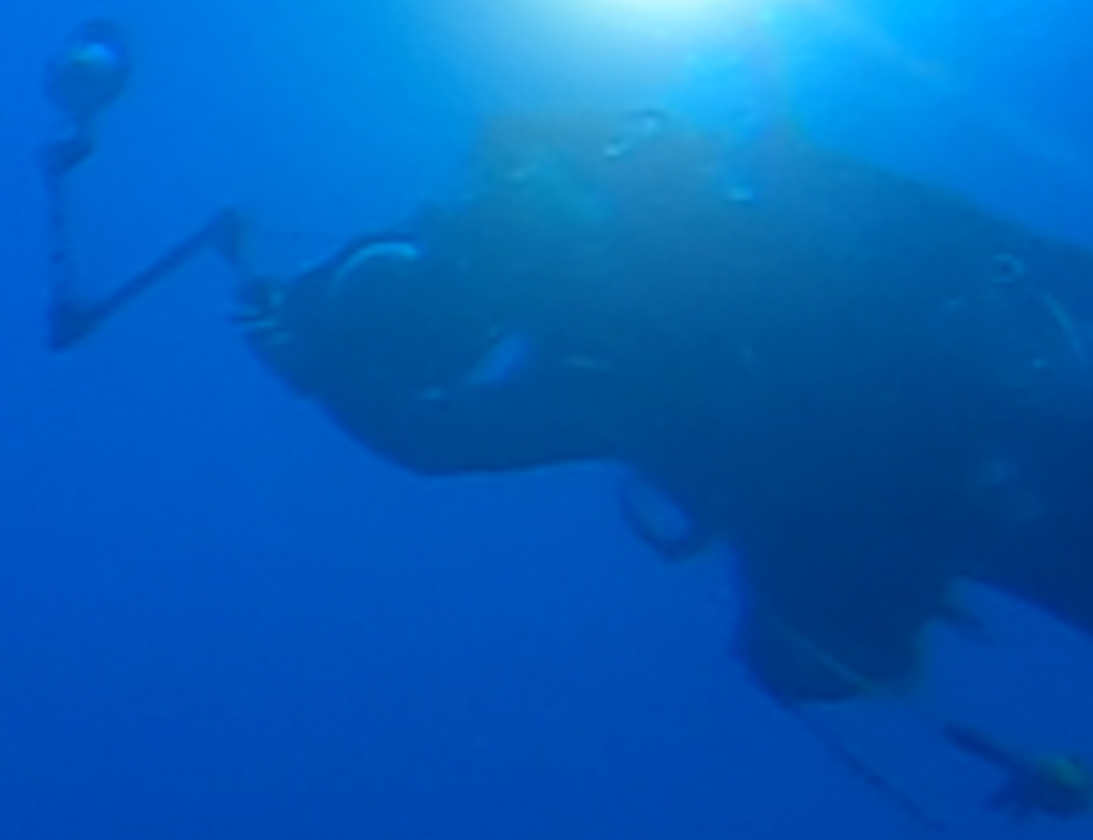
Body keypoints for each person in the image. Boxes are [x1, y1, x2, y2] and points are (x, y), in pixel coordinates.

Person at [230, 108, 1093, 704]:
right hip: (986, 457)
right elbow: (438, 441)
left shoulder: (620, 334)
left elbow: (434, 441)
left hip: (983, 452)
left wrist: (321, 372)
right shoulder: (612, 355)